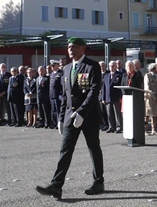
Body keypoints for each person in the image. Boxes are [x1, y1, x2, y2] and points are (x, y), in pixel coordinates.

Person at [35, 37, 105, 199]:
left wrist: (82, 112)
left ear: (83, 48)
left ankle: (98, 181)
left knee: (93, 148)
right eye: (69, 47)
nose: (70, 50)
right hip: (69, 116)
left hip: (88, 116)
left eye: (74, 47)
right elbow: (65, 96)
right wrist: (60, 117)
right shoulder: (66, 69)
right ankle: (56, 185)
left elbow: (93, 92)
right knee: (65, 150)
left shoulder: (92, 66)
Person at [102, 61, 123, 133]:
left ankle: (119, 127)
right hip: (108, 97)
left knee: (117, 113)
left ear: (116, 66)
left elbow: (121, 87)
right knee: (109, 113)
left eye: (113, 65)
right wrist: (103, 98)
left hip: (116, 97)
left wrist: (120, 97)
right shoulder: (106, 76)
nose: (111, 67)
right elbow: (104, 88)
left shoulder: (119, 75)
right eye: (110, 66)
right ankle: (111, 127)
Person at [144, 63, 157, 135]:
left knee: (155, 114)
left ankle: (153, 129)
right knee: (147, 114)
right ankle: (144, 129)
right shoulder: (147, 75)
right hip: (150, 98)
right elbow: (147, 88)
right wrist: (154, 97)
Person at [49, 60, 64, 130]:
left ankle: (59, 123)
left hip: (58, 95)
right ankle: (55, 123)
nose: (52, 67)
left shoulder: (60, 73)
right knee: (53, 110)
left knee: (58, 110)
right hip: (52, 95)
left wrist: (61, 93)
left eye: (53, 65)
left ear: (57, 65)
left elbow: (62, 85)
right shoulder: (52, 74)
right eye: (51, 66)